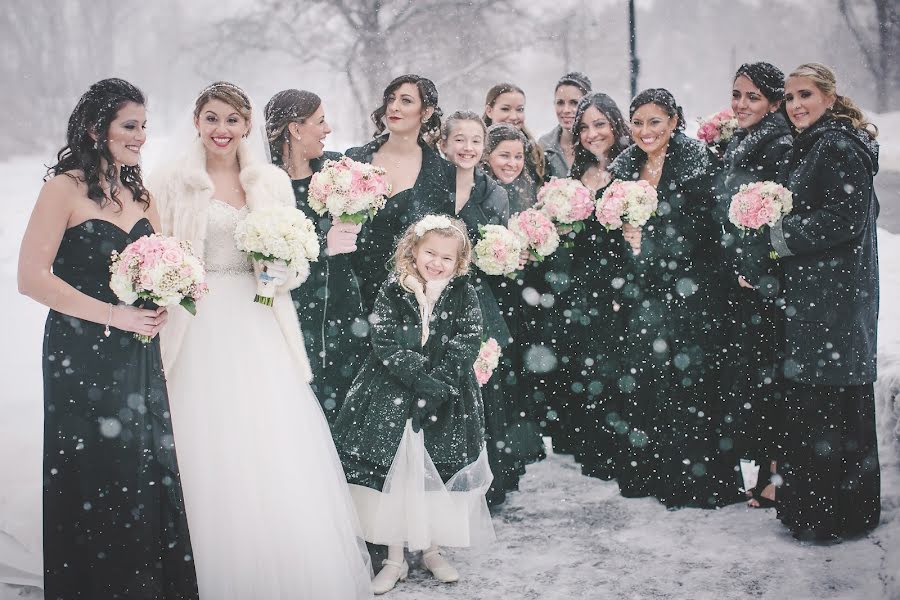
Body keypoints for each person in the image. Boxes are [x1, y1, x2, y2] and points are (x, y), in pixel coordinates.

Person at [149, 81, 372, 598]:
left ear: (247, 124)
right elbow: (158, 250)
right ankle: (198, 559)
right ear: (197, 123)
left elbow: (294, 264)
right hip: (196, 320)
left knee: (266, 434)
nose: (221, 130)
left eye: (231, 119)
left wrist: (279, 269)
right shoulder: (173, 180)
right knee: (201, 434)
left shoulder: (269, 181)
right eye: (211, 118)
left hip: (258, 317)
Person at [17, 78, 199, 599]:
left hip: (137, 351)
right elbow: (31, 277)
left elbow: (161, 260)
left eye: (144, 126)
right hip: (80, 349)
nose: (141, 136)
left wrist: (167, 293)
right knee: (95, 467)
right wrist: (111, 315)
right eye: (130, 125)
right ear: (97, 129)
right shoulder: (63, 189)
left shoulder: (140, 193)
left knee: (141, 466)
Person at [333, 215, 494, 595]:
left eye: (447, 258)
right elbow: (385, 340)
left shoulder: (463, 292)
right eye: (430, 253)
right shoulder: (394, 289)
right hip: (393, 393)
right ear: (414, 251)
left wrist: (441, 381)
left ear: (459, 263)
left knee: (433, 468)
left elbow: (469, 337)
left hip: (448, 396)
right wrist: (421, 377)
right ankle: (394, 557)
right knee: (398, 471)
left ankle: (432, 548)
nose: (437, 263)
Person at [609, 88, 741, 508]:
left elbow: (709, 228)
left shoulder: (698, 162)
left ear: (674, 121)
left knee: (692, 384)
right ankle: (652, 472)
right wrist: (624, 234)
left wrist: (652, 236)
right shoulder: (626, 166)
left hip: (693, 288)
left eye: (654, 122)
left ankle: (698, 481)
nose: (645, 131)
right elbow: (610, 227)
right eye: (638, 123)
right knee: (649, 379)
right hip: (645, 290)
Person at [771, 63, 881, 541]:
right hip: (824, 299)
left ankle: (829, 516)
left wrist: (776, 234)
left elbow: (843, 218)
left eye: (805, 95)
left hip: (833, 301)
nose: (796, 104)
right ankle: (831, 511)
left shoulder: (835, 146)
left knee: (827, 406)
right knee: (826, 403)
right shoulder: (818, 142)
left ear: (830, 97)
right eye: (790, 97)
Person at [265, 89, 368, 421]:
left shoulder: (337, 172)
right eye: (320, 121)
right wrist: (323, 247)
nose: (328, 129)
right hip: (289, 310)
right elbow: (263, 256)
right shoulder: (265, 185)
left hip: (343, 308)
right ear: (295, 128)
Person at [718, 62, 793, 508]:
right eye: (736, 95)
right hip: (747, 281)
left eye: (752, 97)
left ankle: (775, 477)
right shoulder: (747, 138)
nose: (741, 104)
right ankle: (767, 472)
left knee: (771, 380)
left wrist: (757, 268)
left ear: (773, 102)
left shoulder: (777, 143)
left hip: (764, 282)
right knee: (760, 380)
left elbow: (772, 213)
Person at [563, 91, 632, 478]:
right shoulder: (578, 173)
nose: (592, 134)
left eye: (600, 124)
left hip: (621, 279)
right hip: (584, 281)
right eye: (585, 127)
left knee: (617, 365)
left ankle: (621, 449)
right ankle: (595, 448)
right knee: (589, 366)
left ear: (615, 124)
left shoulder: (629, 168)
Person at [346, 74, 455, 312]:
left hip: (404, 297)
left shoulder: (443, 174)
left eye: (406, 101)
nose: (394, 107)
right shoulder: (355, 158)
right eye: (391, 99)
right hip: (348, 288)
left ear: (426, 112)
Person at [483, 82, 545, 184]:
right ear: (489, 111)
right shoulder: (475, 147)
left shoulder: (534, 152)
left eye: (519, 109)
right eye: (505, 109)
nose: (513, 116)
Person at [539, 72, 592, 178]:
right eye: (560, 103)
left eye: (574, 103)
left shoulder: (599, 142)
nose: (566, 110)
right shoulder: (544, 145)